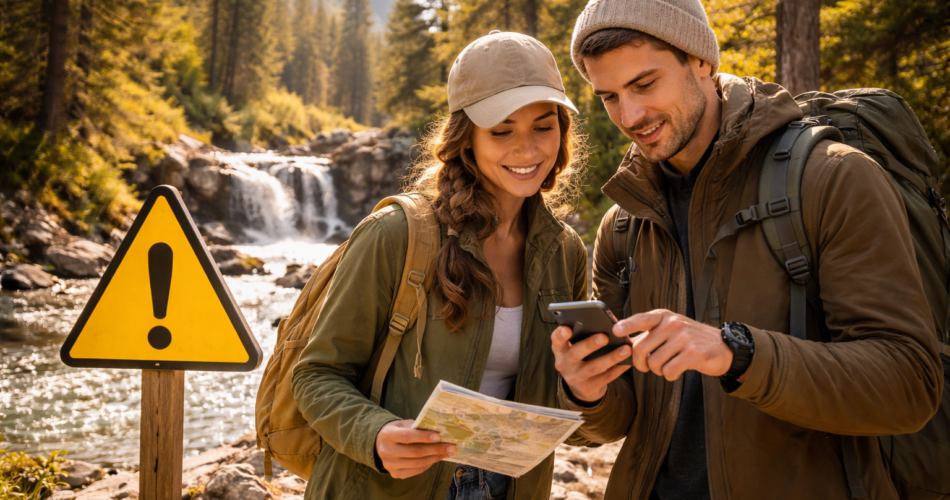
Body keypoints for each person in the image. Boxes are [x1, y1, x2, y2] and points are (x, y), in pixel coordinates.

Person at [550, 1, 943, 499]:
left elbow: (909, 384)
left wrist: (737, 353)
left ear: (702, 61)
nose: (629, 116)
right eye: (609, 96)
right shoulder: (624, 224)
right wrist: (586, 389)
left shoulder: (833, 177)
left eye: (645, 84)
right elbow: (619, 421)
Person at [292, 31, 589, 500]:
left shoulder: (566, 251)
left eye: (543, 125)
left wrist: (584, 389)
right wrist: (374, 434)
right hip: (385, 487)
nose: (528, 149)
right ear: (465, 138)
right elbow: (315, 375)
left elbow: (564, 409)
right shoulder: (396, 234)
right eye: (502, 130)